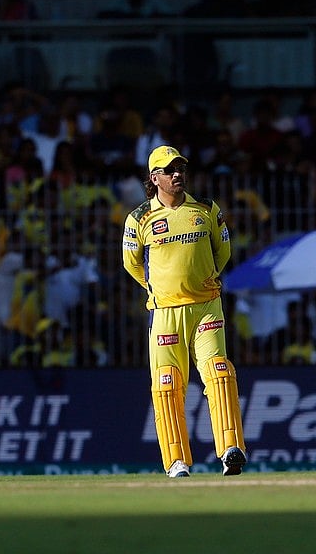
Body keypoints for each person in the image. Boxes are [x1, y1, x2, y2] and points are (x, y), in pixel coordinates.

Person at [122, 145, 246, 478]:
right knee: (167, 385)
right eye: (169, 169)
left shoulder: (206, 208)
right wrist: (161, 290)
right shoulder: (139, 219)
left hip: (207, 307)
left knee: (219, 372)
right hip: (165, 312)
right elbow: (132, 265)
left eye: (181, 168)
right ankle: (177, 461)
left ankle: (230, 449)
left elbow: (223, 251)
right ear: (154, 178)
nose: (177, 174)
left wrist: (204, 281)